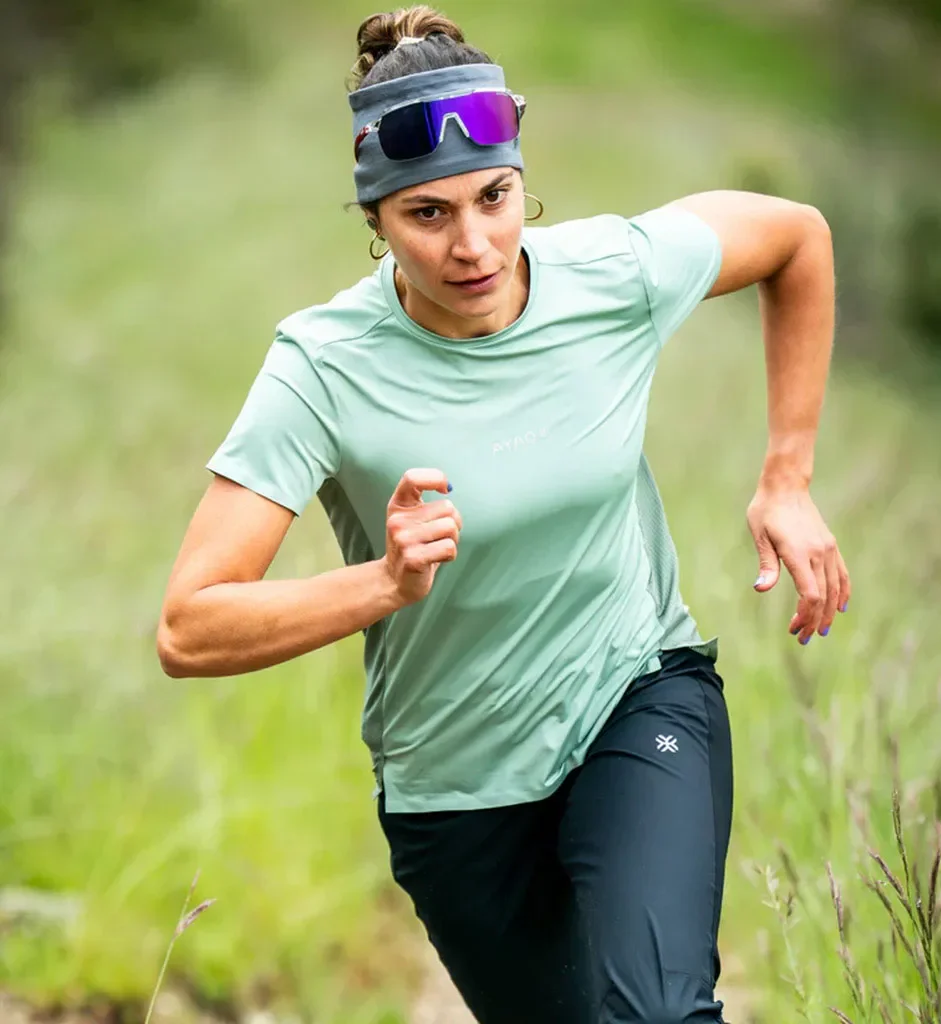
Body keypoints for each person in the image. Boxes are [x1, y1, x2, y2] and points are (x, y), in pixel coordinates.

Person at [157, 6, 851, 1022]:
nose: (473, 245)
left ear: (523, 178)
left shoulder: (610, 273)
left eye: (494, 196)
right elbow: (189, 626)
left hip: (634, 694)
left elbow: (797, 237)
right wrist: (383, 582)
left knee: (660, 1012)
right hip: (456, 787)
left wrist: (786, 476)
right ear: (375, 219)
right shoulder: (321, 367)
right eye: (427, 214)